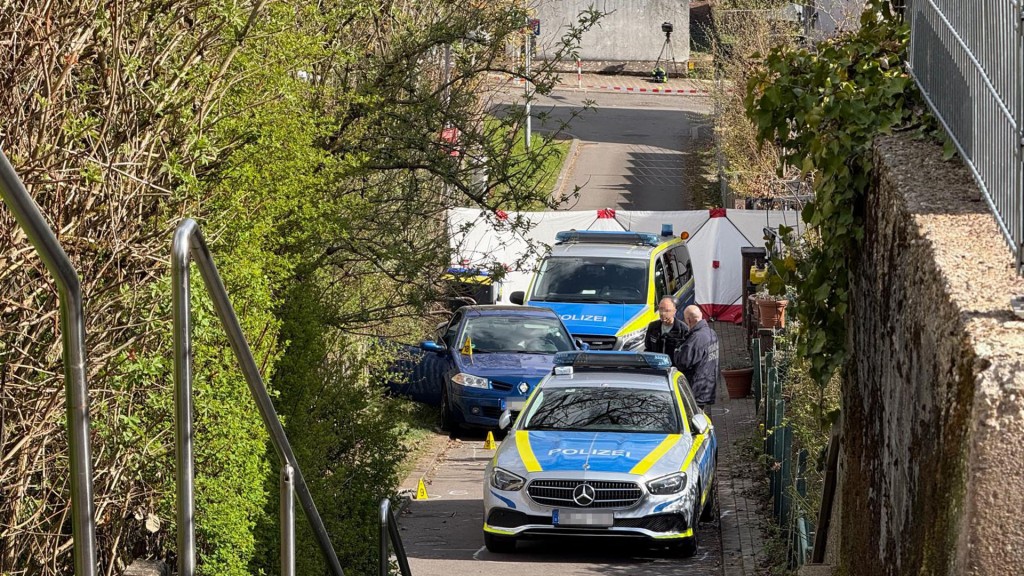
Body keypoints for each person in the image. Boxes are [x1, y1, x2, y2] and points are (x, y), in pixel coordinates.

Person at [674, 305, 720, 408]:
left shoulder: (697, 338)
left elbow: (682, 362)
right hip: (707, 386)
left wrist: (677, 350)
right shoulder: (711, 333)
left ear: (689, 320)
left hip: (696, 389)